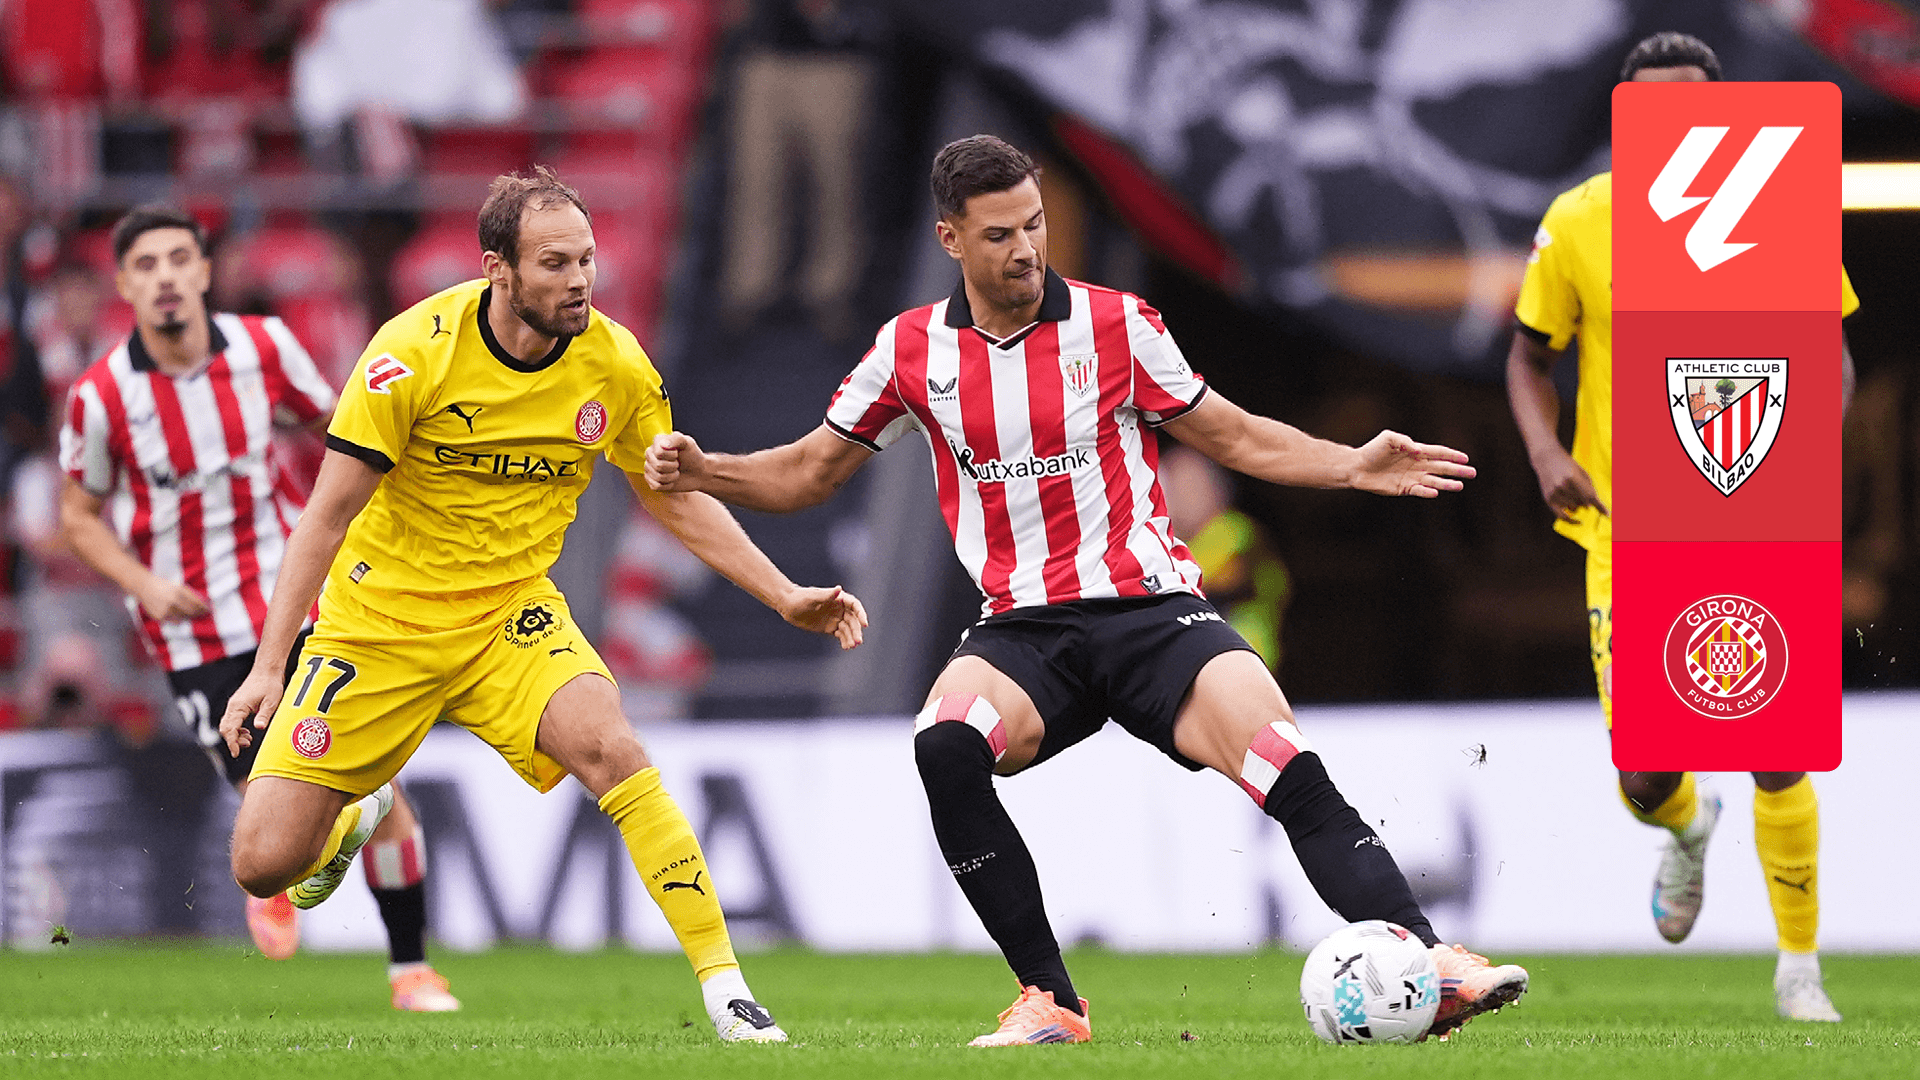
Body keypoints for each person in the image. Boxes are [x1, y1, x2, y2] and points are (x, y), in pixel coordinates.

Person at [645, 134, 1527, 1046]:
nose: (1025, 249)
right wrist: (708, 471)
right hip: (1024, 633)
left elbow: (1232, 435)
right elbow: (808, 473)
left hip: (1154, 614)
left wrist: (1348, 464)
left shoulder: (1118, 325)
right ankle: (1052, 1001)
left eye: (1033, 225)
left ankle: (1432, 959)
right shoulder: (910, 351)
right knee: (945, 744)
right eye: (999, 235)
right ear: (950, 238)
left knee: (1281, 759)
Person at [217, 167, 868, 1042]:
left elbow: (673, 496)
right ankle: (360, 814)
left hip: (509, 618)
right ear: (500, 270)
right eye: (555, 264)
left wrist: (783, 594)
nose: (580, 281)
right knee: (263, 865)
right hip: (379, 626)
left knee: (616, 749)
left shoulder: (615, 362)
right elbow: (325, 517)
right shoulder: (411, 353)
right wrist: (269, 668)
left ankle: (729, 992)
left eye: (587, 260)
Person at [1506, 32, 1849, 1023]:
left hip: (1756, 515)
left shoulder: (1771, 205)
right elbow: (1528, 356)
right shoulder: (1581, 219)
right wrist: (1546, 453)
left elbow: (1828, 351)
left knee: (1777, 742)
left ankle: (1800, 971)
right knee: (1647, 774)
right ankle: (1689, 832)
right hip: (1630, 529)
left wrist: (1809, 453)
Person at [56, 205, 459, 1011]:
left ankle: (412, 971)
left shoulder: (263, 348)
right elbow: (77, 516)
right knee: (278, 818)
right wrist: (144, 585)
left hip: (296, 606)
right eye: (147, 265)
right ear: (125, 284)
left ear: (205, 272)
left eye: (180, 259)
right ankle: (288, 874)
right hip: (195, 633)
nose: (167, 277)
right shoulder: (100, 396)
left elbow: (341, 427)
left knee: (381, 795)